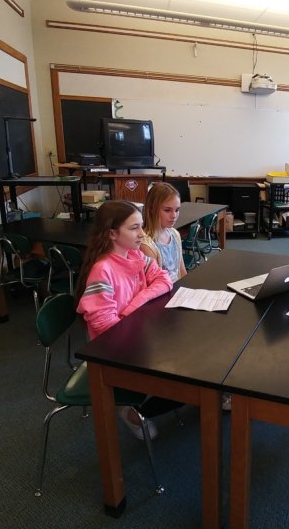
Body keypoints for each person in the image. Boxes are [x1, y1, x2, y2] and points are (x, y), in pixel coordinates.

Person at [76, 200, 176, 439]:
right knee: (187, 377)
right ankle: (134, 413)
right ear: (112, 233)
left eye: (141, 226)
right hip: (115, 352)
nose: (142, 234)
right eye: (134, 228)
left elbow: (164, 280)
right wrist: (141, 332)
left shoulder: (134, 255)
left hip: (137, 336)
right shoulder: (103, 271)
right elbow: (108, 332)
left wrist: (133, 305)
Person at [140, 182, 187, 283]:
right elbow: (155, 284)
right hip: (164, 290)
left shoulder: (174, 234)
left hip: (178, 288)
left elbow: (182, 270)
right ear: (152, 209)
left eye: (177, 210)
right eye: (167, 210)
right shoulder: (146, 244)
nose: (174, 216)